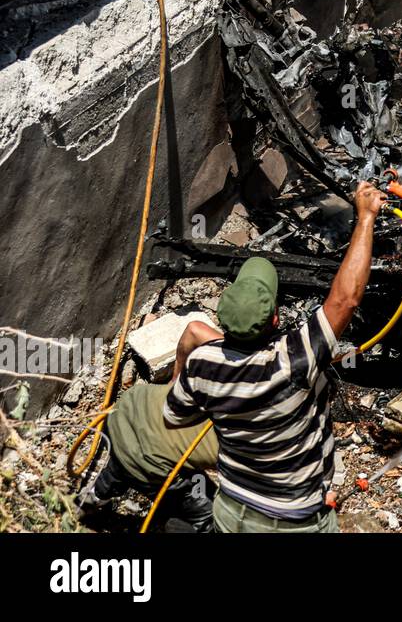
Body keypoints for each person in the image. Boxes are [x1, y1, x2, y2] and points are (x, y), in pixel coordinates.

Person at [163, 181, 386, 533]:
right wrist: (366, 218)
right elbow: (345, 300)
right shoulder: (294, 357)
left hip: (230, 510)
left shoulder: (202, 365)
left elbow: (173, 418)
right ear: (276, 319)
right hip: (291, 522)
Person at [76, 381, 219, 531]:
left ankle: (94, 496)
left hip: (128, 407)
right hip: (147, 458)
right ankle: (170, 525)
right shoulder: (241, 450)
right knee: (213, 514)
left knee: (135, 453)